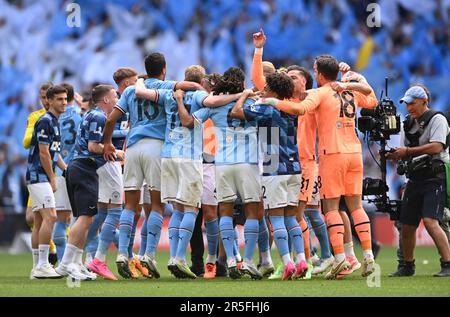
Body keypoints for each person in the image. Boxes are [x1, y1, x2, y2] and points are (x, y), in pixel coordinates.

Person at [262, 54, 379, 279]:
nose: (313, 73)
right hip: (354, 152)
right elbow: (371, 99)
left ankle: (340, 260)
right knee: (356, 206)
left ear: (320, 74)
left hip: (332, 154)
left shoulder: (321, 92)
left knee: (332, 209)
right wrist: (353, 79)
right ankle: (368, 254)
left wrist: (272, 101)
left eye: (315, 70)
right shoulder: (350, 91)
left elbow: (299, 109)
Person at [134, 65, 242, 278]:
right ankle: (180, 258)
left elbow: (142, 92)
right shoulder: (201, 97)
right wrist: (241, 94)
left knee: (179, 209)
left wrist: (139, 80)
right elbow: (208, 104)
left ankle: (183, 258)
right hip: (191, 157)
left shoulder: (168, 94)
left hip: (169, 155)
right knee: (192, 209)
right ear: (202, 82)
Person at [102, 52, 203, 279]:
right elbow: (190, 85)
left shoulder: (129, 91)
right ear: (164, 69)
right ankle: (148, 255)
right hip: (157, 148)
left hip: (133, 149)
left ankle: (122, 255)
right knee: (156, 205)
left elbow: (110, 119)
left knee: (130, 205)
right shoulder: (167, 87)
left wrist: (107, 143)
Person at [230, 72, 307, 280]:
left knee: (276, 217)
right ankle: (301, 259)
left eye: (266, 88)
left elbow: (236, 112)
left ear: (272, 90)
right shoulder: (290, 108)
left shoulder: (266, 108)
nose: (262, 90)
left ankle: (288, 263)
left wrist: (246, 95)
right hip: (294, 165)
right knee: (292, 217)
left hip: (274, 166)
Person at [191, 67, 263, 280]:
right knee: (252, 212)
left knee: (225, 212)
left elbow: (191, 120)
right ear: (242, 84)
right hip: (247, 163)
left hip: (221, 164)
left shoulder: (215, 107)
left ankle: (230, 259)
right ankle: (247, 261)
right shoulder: (251, 102)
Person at [387, 85, 450, 277]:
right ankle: (407, 265)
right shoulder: (407, 122)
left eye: (412, 103)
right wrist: (396, 156)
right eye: (407, 104)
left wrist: (407, 152)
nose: (409, 107)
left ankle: (447, 264)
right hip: (415, 178)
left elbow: (437, 147)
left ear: (425, 101)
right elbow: (405, 149)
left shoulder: (437, 119)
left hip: (435, 178)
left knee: (432, 221)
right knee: (407, 224)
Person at [55, 85, 115, 281]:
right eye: (114, 95)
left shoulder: (90, 114)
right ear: (106, 99)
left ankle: (76, 264)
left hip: (77, 167)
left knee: (85, 218)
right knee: (84, 218)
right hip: (84, 167)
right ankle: (65, 264)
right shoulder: (99, 117)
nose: (117, 98)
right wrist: (115, 152)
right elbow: (93, 146)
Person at [27, 85, 68, 279]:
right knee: (51, 216)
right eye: (59, 99)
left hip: (39, 175)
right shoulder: (45, 121)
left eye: (66, 99)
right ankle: (43, 264)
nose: (64, 102)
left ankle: (37, 267)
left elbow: (53, 152)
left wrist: (66, 169)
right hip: (39, 175)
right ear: (49, 101)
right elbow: (43, 153)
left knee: (39, 220)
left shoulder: (55, 121)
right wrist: (52, 177)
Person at [23, 82, 58, 267]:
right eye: (42, 97)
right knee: (38, 217)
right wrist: (36, 129)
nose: (45, 101)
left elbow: (55, 150)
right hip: (41, 173)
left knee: (52, 217)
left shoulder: (58, 117)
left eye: (47, 97)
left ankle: (49, 261)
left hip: (53, 171)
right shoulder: (39, 118)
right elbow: (27, 142)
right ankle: (44, 259)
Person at [51, 83, 80, 263]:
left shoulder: (54, 118)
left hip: (59, 170)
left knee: (61, 219)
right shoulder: (81, 115)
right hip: (80, 169)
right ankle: (81, 261)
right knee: (81, 218)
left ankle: (63, 262)